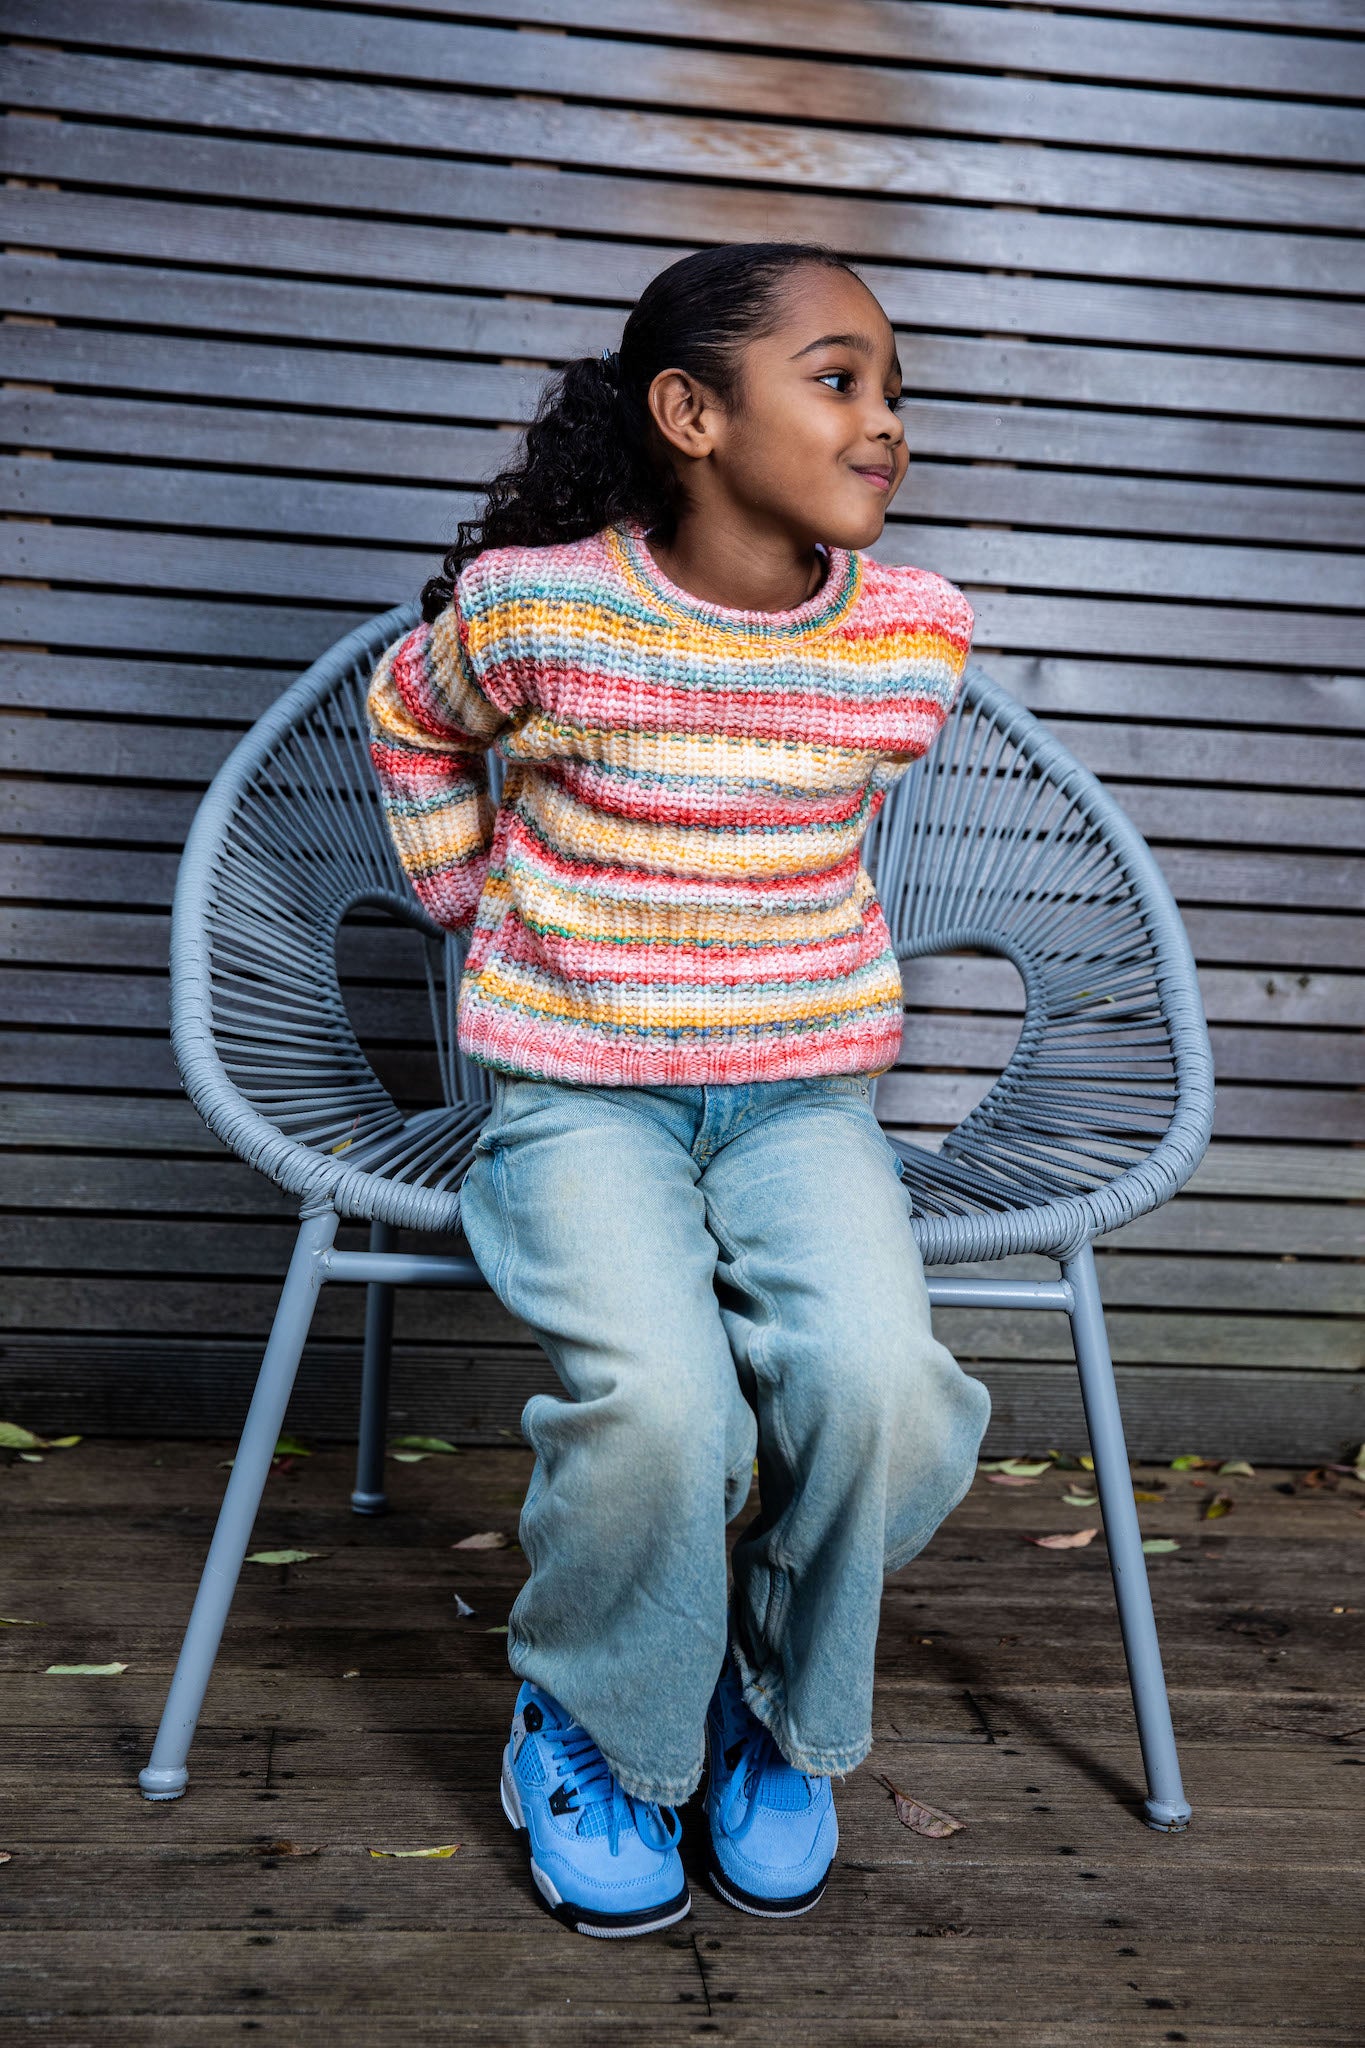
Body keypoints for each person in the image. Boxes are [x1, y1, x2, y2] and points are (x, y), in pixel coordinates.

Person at [365, 241, 992, 1940]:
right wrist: (465, 897)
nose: (885, 427)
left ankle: (776, 1719)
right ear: (691, 412)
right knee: (664, 1412)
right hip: (579, 1099)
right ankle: (598, 1723)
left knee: (879, 1387)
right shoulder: (538, 608)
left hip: (802, 1106)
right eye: (840, 379)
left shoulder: (912, 640)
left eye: (892, 392)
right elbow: (413, 720)